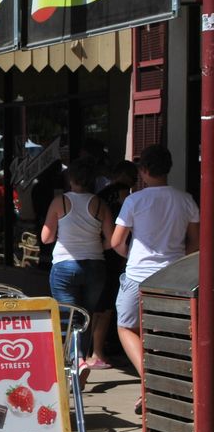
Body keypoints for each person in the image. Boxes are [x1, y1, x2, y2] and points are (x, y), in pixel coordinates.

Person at [111, 145, 199, 414]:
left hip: (138, 275)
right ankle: (167, 387)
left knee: (126, 327)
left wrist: (130, 256)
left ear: (144, 170)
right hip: (173, 277)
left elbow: (116, 241)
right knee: (166, 332)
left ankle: (147, 379)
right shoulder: (185, 200)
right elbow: (194, 244)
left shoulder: (134, 200)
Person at [40, 159, 113, 370]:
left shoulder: (59, 201)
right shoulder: (100, 204)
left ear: (71, 179)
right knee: (86, 316)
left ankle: (76, 361)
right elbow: (111, 240)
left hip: (64, 265)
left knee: (68, 316)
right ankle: (80, 359)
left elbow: (45, 238)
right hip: (95, 265)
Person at [88, 160, 139, 369]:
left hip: (97, 251)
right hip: (116, 252)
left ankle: (93, 350)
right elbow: (124, 228)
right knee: (107, 306)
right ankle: (98, 352)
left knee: (98, 304)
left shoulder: (99, 196)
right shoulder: (124, 195)